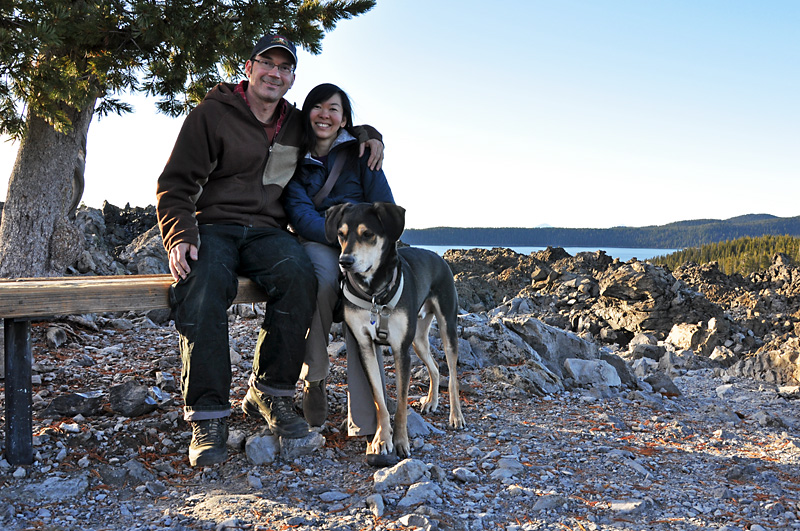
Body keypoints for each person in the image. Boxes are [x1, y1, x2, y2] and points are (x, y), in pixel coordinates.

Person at [156, 35, 384, 467]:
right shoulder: (210, 115)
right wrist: (179, 233)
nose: (274, 73)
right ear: (248, 67)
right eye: (267, 63)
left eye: (284, 68)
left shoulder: (295, 121)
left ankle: (271, 392)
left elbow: (334, 126)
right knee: (202, 285)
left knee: (301, 277)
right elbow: (176, 183)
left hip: (267, 231)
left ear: (292, 78)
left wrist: (370, 136)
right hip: (215, 226)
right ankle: (208, 414)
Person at [282, 83, 396, 465]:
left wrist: (361, 244)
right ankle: (314, 379)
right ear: (307, 114)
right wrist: (339, 237)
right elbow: (299, 214)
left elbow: (383, 205)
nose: (325, 115)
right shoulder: (292, 159)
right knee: (322, 282)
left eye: (334, 109)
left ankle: (370, 419)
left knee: (360, 306)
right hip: (318, 240)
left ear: (345, 118)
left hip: (362, 246)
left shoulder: (363, 154)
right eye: (317, 107)